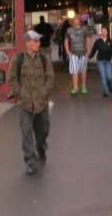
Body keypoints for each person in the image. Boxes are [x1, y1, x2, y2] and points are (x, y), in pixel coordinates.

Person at [9, 30, 54, 175]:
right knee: (26, 133)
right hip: (25, 104)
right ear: (27, 43)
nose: (39, 43)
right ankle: (30, 161)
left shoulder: (44, 58)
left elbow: (50, 78)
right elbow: (12, 80)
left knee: (43, 130)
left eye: (39, 41)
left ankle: (41, 148)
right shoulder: (18, 59)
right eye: (36, 41)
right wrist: (21, 93)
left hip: (41, 103)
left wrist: (44, 93)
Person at [65, 16, 91, 95]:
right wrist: (68, 51)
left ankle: (83, 86)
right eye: (73, 20)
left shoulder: (84, 29)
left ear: (79, 21)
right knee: (75, 70)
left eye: (76, 19)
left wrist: (88, 51)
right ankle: (75, 87)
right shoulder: (69, 30)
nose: (74, 21)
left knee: (83, 70)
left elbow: (88, 40)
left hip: (83, 52)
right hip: (73, 53)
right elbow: (66, 41)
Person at [88, 27, 112, 97]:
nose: (103, 33)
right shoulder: (98, 41)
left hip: (108, 61)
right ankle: (105, 91)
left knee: (109, 77)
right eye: (102, 31)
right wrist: (89, 56)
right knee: (103, 77)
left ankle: (109, 86)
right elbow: (94, 50)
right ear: (101, 33)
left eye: (105, 31)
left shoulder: (111, 42)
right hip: (100, 61)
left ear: (107, 33)